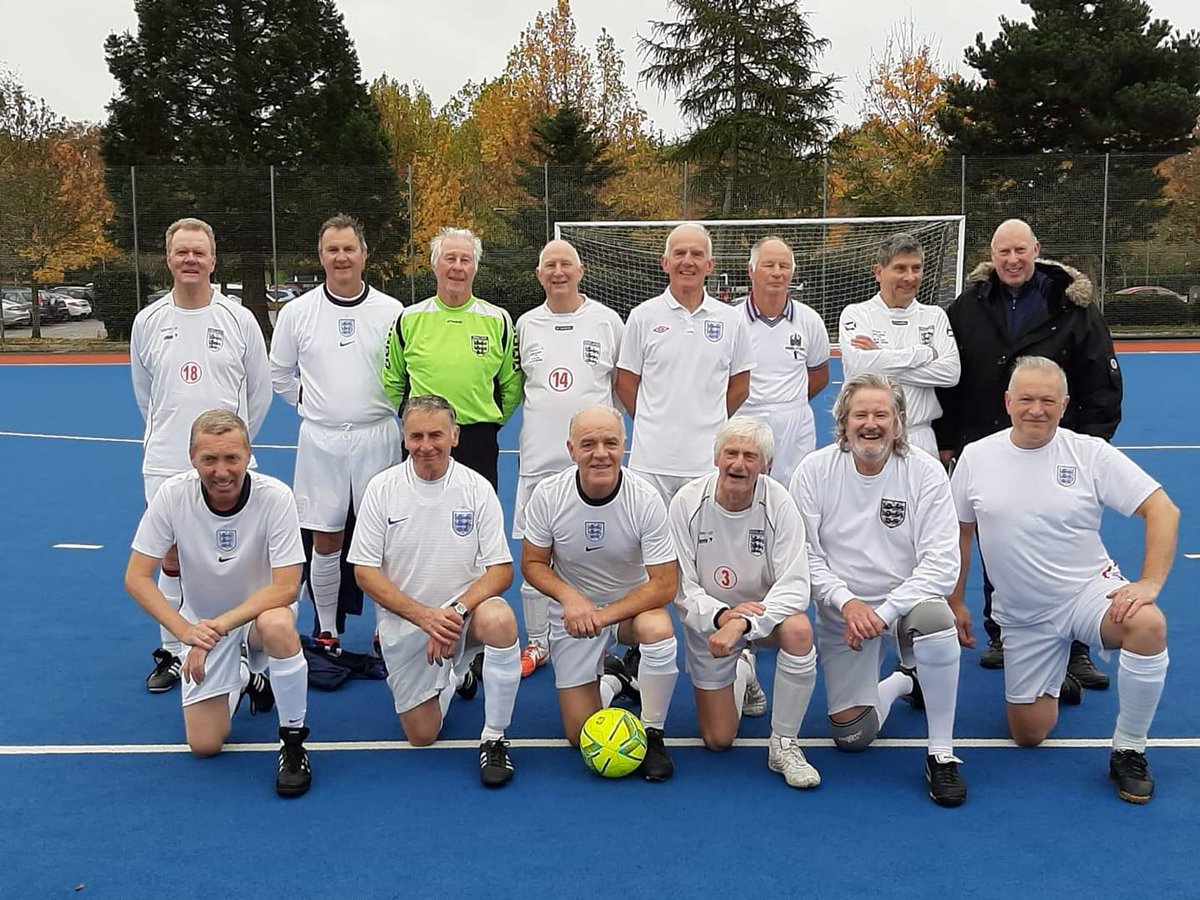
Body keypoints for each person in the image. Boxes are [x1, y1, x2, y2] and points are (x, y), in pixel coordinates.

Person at [950, 356, 1176, 803]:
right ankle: (1057, 676)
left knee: (1148, 625)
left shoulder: (1088, 453)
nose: (1037, 409)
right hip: (1023, 615)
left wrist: (1149, 583)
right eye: (1027, 399)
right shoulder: (976, 457)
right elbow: (959, 533)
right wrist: (956, 602)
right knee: (1028, 735)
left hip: (1087, 593)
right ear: (1008, 401)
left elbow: (1163, 510)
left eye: (1048, 400)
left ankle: (1128, 749)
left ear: (1065, 403)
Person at [934, 219, 1122, 684]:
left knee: (1066, 546)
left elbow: (1101, 380)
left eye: (1021, 250)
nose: (1013, 260)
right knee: (999, 546)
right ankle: (1005, 634)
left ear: (1036, 249)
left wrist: (1090, 447)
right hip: (990, 446)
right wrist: (947, 440)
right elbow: (951, 384)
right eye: (1004, 252)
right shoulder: (967, 307)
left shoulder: (1072, 308)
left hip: (1060, 451)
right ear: (992, 256)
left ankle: (1075, 645)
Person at [794, 373, 967, 807]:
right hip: (843, 613)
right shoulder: (815, 471)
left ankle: (941, 753)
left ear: (898, 422)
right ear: (843, 421)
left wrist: (885, 612)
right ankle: (903, 681)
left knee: (935, 620)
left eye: (881, 414)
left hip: (904, 606)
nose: (871, 424)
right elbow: (804, 558)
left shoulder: (925, 472)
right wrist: (847, 602)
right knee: (852, 737)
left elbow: (942, 565)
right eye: (860, 414)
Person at [124, 410, 312, 797]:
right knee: (205, 746)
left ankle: (292, 740)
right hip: (204, 625)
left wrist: (217, 628)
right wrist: (186, 633)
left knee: (278, 624)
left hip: (258, 616)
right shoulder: (173, 495)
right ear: (192, 458)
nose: (221, 470)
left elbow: (286, 588)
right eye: (209, 459)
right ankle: (244, 678)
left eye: (231, 458)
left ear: (248, 455)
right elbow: (136, 578)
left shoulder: (275, 497)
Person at [349, 395, 521, 787]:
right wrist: (425, 617)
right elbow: (365, 572)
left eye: (436, 435)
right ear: (403, 438)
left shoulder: (477, 489)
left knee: (500, 619)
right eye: (416, 436)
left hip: (465, 616)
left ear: (455, 436)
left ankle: (494, 737)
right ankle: (458, 676)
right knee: (421, 736)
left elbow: (500, 571)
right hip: (410, 624)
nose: (426, 445)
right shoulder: (382, 489)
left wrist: (455, 613)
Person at [130, 217, 272, 693]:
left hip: (229, 462)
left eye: (199, 252)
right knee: (171, 559)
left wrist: (230, 451)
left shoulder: (238, 319)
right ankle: (173, 650)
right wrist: (176, 441)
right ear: (168, 258)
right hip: (167, 460)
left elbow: (260, 392)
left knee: (239, 556)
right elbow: (146, 395)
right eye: (181, 252)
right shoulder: (147, 322)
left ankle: (249, 653)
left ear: (213, 259)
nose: (190, 260)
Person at [521, 406, 679, 781]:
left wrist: (604, 617)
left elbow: (665, 584)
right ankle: (617, 679)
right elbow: (532, 564)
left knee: (659, 630)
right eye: (588, 443)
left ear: (624, 446)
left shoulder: (645, 498)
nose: (600, 453)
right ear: (571, 449)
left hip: (626, 613)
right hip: (574, 618)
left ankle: (653, 732)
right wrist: (572, 599)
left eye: (610, 442)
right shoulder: (548, 495)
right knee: (579, 736)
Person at [269, 214, 404, 654]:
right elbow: (279, 372)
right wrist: (308, 405)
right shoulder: (297, 312)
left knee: (384, 540)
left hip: (379, 436)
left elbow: (406, 372)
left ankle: (387, 630)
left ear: (364, 254)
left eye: (349, 248)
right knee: (326, 539)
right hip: (321, 440)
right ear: (321, 256)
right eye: (333, 249)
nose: (341, 257)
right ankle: (328, 628)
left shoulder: (391, 311)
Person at [669, 416, 821, 789]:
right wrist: (722, 616)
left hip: (763, 617)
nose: (739, 464)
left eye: (750, 456)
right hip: (711, 625)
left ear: (766, 464)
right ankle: (744, 670)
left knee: (799, 629)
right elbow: (680, 587)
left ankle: (784, 744)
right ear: (716, 457)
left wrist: (743, 623)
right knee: (718, 740)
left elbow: (796, 584)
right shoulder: (686, 502)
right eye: (731, 453)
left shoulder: (780, 503)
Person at [512, 240, 625, 678]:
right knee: (536, 553)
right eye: (549, 265)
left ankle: (607, 637)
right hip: (539, 458)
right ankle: (538, 641)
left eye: (566, 264)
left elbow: (619, 385)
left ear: (581, 271)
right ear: (539, 275)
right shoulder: (525, 325)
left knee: (602, 549)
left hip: (593, 462)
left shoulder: (606, 322)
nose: (558, 272)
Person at [616, 222, 755, 504]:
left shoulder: (731, 320)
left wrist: (709, 418)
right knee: (650, 545)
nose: (687, 262)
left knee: (701, 545)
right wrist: (652, 419)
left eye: (696, 254)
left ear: (710, 264)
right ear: (665, 263)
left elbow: (740, 386)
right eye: (679, 254)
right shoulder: (643, 316)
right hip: (650, 463)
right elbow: (626, 383)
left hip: (706, 462)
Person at [381, 227, 523, 490]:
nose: (457, 267)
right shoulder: (409, 319)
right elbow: (392, 379)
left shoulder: (499, 320)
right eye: (450, 258)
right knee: (418, 516)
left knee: (476, 520)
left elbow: (512, 383)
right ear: (435, 265)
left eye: (465, 260)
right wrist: (413, 418)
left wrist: (490, 423)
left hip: (478, 439)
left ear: (475, 267)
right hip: (425, 438)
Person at [838, 233, 959, 457]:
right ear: (878, 272)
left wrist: (881, 359)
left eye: (916, 268)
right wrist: (924, 353)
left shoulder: (935, 316)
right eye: (900, 268)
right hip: (868, 436)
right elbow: (859, 367)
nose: (910, 277)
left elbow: (951, 374)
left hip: (919, 436)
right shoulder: (856, 313)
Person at [737, 236, 831, 486]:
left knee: (797, 490)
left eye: (784, 266)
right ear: (751, 270)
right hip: (745, 419)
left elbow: (820, 375)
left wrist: (789, 403)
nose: (777, 273)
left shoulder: (810, 320)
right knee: (745, 489)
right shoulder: (731, 320)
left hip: (796, 421)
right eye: (769, 265)